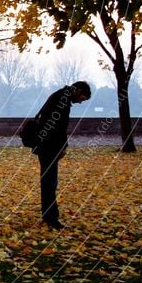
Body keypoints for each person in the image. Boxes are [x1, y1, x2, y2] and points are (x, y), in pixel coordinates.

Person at [32, 81, 91, 229]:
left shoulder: (59, 96)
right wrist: (62, 147)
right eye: (82, 98)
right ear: (77, 91)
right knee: (50, 182)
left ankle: (49, 215)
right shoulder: (62, 100)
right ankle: (51, 218)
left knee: (48, 181)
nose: (80, 102)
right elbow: (59, 127)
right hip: (49, 146)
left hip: (45, 145)